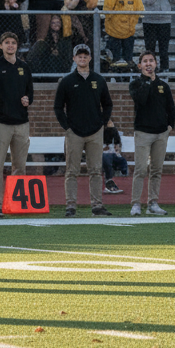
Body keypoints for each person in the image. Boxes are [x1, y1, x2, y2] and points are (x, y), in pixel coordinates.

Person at [54, 43, 113, 218]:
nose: (82, 58)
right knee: (72, 171)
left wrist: (102, 122)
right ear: (74, 58)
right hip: (75, 132)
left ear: (90, 58)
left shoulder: (99, 80)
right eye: (79, 56)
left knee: (95, 170)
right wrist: (67, 127)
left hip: (95, 131)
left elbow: (108, 104)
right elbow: (58, 107)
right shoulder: (67, 81)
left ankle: (97, 205)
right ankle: (70, 206)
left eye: (85, 55)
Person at [0, 31, 33, 219]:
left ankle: (16, 203)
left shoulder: (24, 68)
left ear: (17, 46)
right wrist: (2, 108)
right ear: (1, 46)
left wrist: (28, 100)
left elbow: (30, 93)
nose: (10, 45)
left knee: (20, 166)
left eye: (13, 42)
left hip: (21, 123)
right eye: (7, 42)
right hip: (2, 123)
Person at [129, 51, 175, 216]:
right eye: (145, 61)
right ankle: (136, 203)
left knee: (156, 170)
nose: (149, 64)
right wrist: (148, 81)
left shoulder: (164, 85)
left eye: (151, 61)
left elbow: (171, 107)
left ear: (156, 64)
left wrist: (170, 126)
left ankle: (153, 203)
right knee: (140, 169)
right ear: (140, 65)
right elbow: (141, 99)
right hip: (143, 132)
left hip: (161, 134)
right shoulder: (136, 84)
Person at [103, 0, 142, 69]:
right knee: (114, 62)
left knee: (128, 61)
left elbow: (140, 10)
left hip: (129, 32)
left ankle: (126, 81)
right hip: (114, 32)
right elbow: (107, 11)